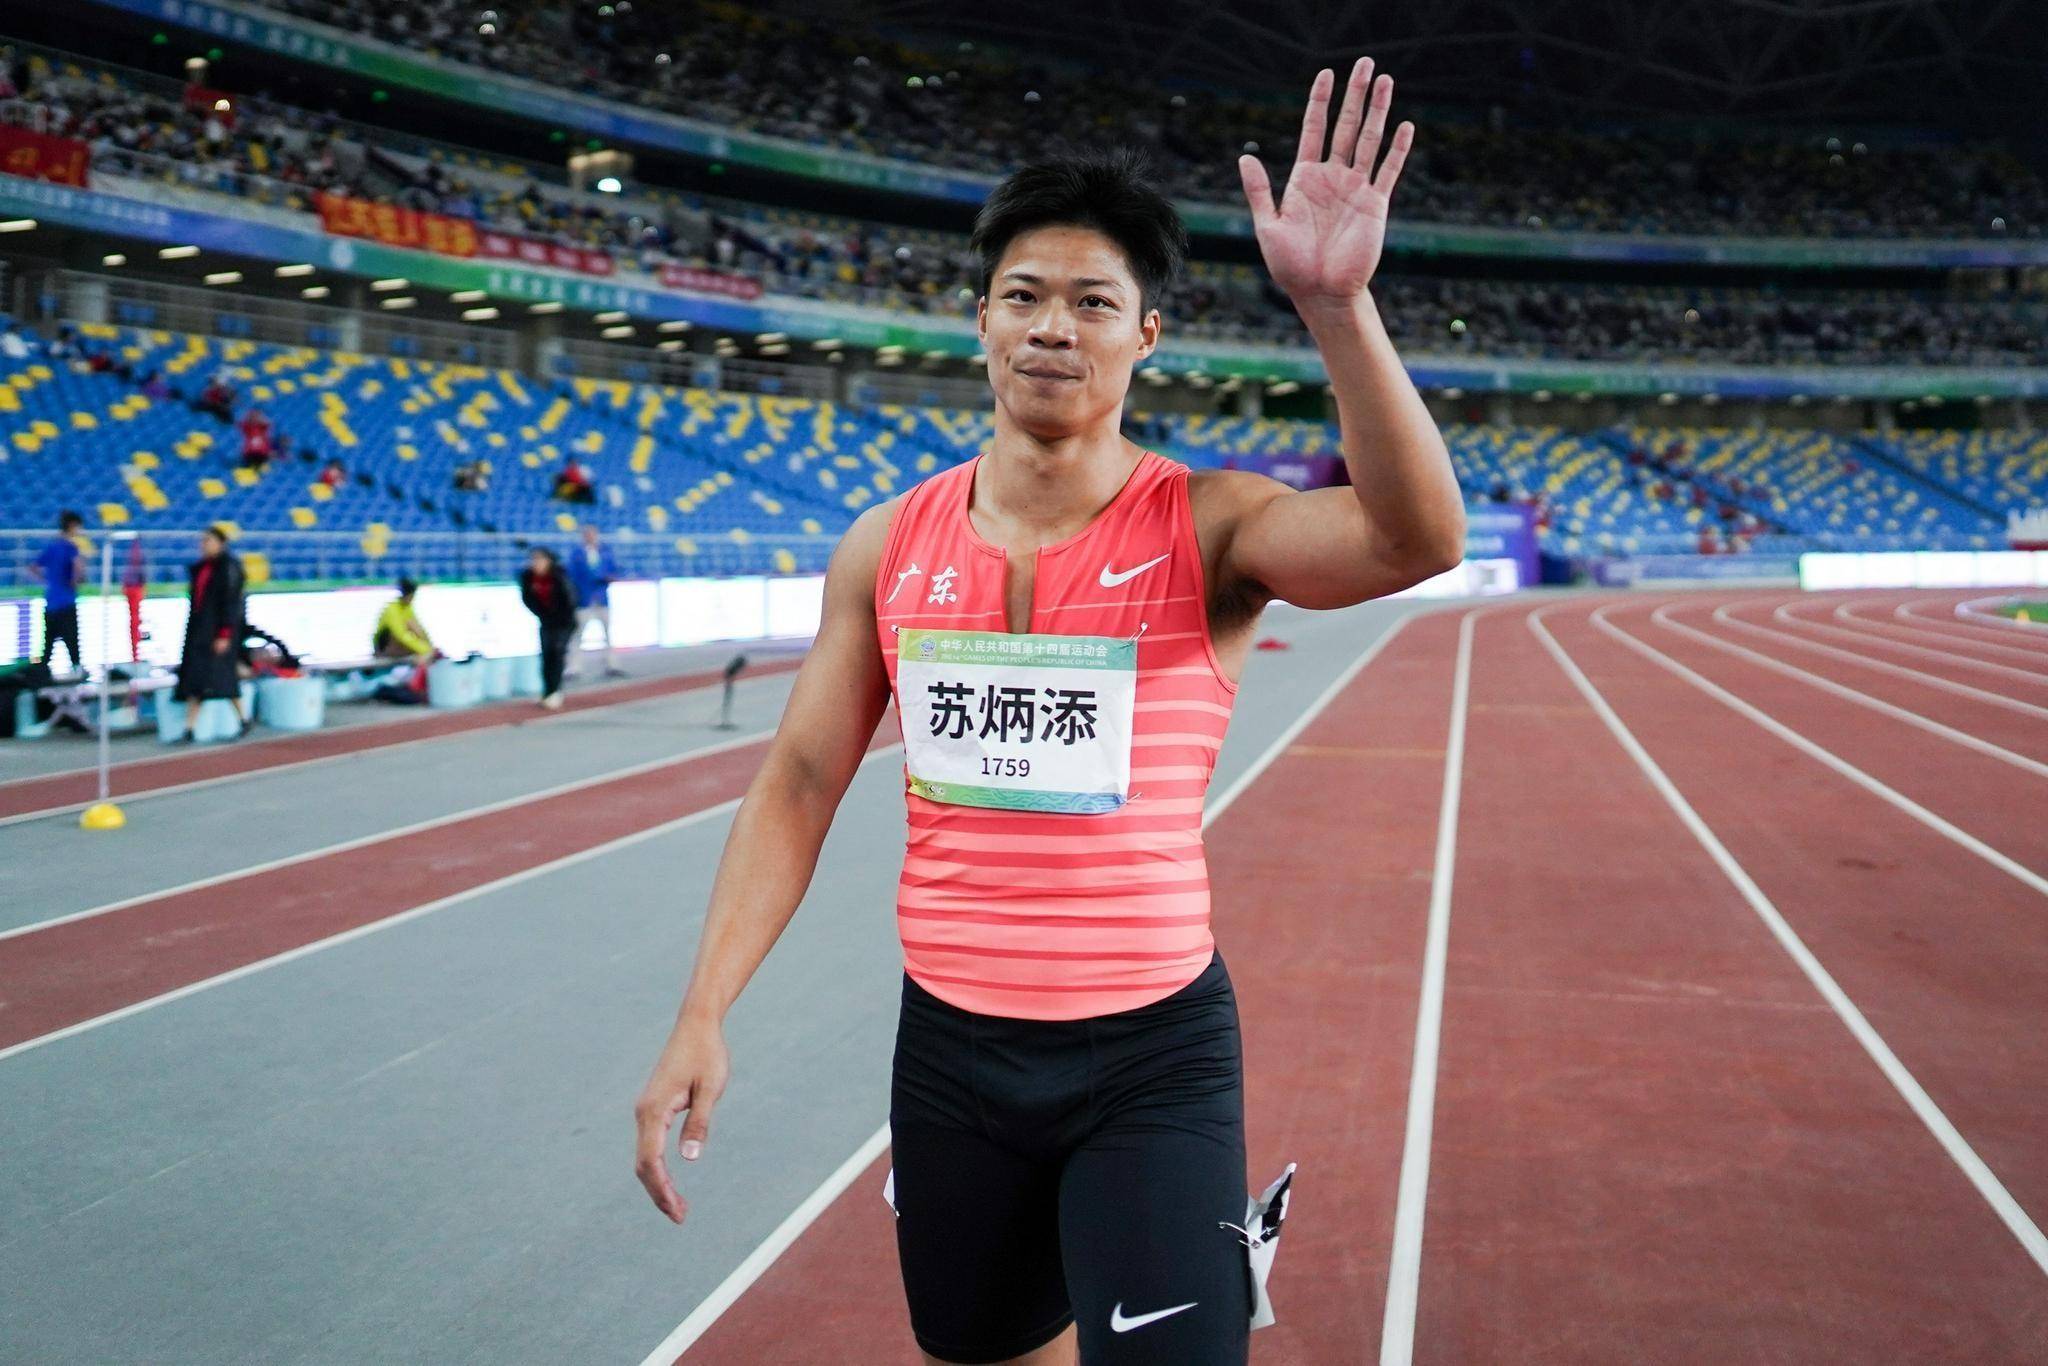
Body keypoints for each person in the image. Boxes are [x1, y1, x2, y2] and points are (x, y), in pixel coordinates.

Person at [634, 60, 1463, 1366]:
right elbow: (798, 779)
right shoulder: (885, 545)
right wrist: (704, 1006)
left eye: (1093, 302)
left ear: (1146, 336)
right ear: (979, 321)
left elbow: (1414, 540)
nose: (1052, 327)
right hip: (951, 1053)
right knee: (982, 1349)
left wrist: (1336, 309)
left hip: (1150, 1053)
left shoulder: (1212, 525)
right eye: (1022, 296)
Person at [172, 525, 247, 741]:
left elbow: (230, 603)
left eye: (208, 541)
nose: (203, 545)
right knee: (196, 680)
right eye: (202, 541)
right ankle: (189, 729)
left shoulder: (229, 569)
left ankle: (243, 719)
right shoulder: (202, 568)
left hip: (217, 632)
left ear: (221, 543)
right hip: (200, 632)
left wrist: (224, 633)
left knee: (223, 679)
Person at [519, 546, 578, 711]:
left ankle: (555, 691)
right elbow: (527, 599)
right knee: (546, 656)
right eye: (534, 559)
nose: (536, 563)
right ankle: (547, 691)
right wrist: (542, 614)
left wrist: (559, 617)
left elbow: (570, 599)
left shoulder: (559, 576)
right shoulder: (527, 577)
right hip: (546, 621)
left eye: (540, 559)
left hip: (564, 622)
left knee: (556, 653)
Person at [564, 523, 625, 679]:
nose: (590, 537)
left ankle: (611, 664)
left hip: (602, 598)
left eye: (593, 534)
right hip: (584, 599)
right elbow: (571, 575)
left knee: (608, 633)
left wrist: (609, 577)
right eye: (587, 534)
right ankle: (573, 667)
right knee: (578, 634)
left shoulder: (606, 552)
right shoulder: (577, 554)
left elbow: (614, 570)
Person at [33, 510, 85, 676]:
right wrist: (75, 581)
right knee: (72, 640)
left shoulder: (52, 547)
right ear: (72, 525)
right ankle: (77, 670)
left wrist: (46, 581)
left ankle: (42, 673)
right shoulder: (70, 547)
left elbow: (33, 567)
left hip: (51, 602)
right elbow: (78, 568)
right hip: (66, 602)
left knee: (48, 642)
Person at [372, 577, 436, 665]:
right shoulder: (392, 609)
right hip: (383, 647)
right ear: (408, 595)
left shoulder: (407, 608)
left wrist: (429, 646)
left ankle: (424, 657)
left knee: (413, 626)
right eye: (412, 596)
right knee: (408, 629)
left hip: (398, 645)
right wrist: (425, 649)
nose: (413, 599)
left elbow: (419, 630)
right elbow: (401, 636)